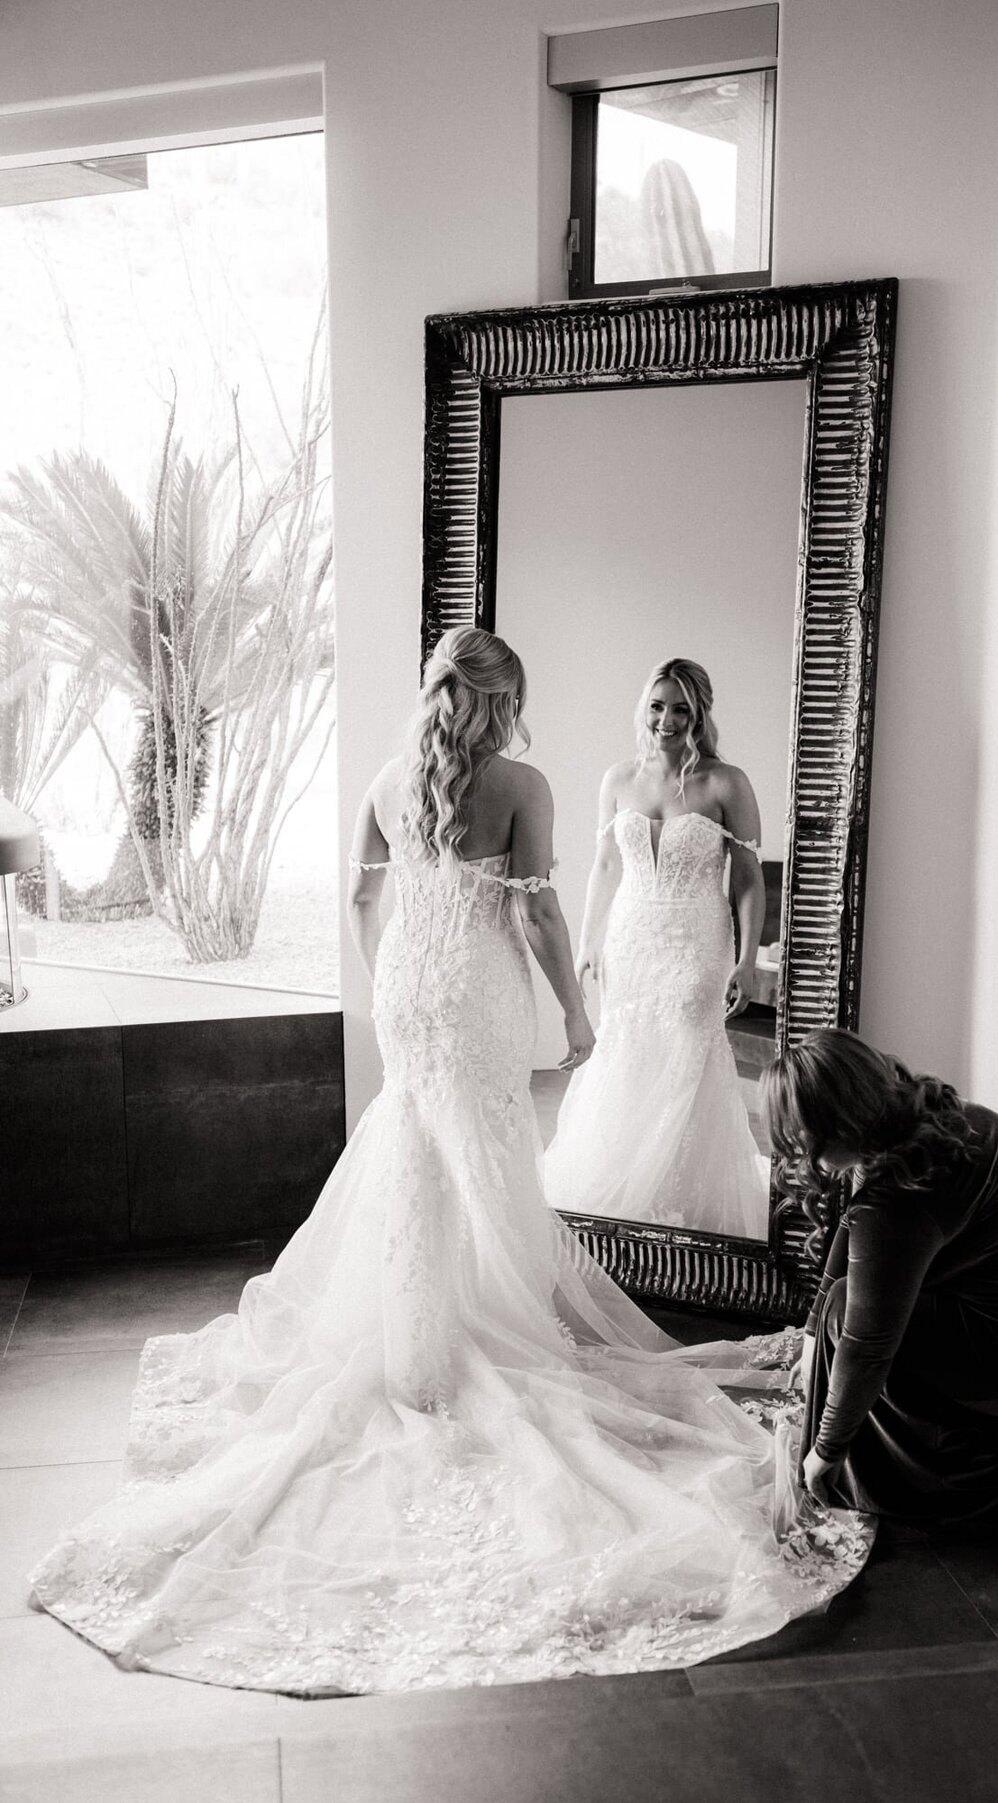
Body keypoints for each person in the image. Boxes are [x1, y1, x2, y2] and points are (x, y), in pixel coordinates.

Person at [29, 629, 869, 1695]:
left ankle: (416, 1337)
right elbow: (546, 913)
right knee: (490, 1156)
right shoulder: (522, 784)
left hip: (409, 993)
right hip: (474, 992)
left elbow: (359, 903)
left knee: (416, 1149)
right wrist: (570, 1009)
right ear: (502, 696)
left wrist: (395, 977)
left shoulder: (387, 780)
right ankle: (472, 1324)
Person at [763, 1028, 998, 1536]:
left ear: (837, 1125)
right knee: (840, 1308)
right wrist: (812, 1337)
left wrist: (827, 1451)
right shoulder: (936, 1123)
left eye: (799, 1138)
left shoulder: (898, 1196)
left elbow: (867, 1344)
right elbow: (856, 1226)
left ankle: (938, 1491)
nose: (796, 1153)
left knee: (847, 1309)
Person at [543, 657, 769, 1237]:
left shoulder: (727, 782)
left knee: (687, 1052)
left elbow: (747, 878)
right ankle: (620, 1199)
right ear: (644, 707)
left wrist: (745, 959)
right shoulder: (618, 779)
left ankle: (680, 1204)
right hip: (631, 938)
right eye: (657, 705)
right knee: (627, 1050)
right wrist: (589, 942)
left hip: (698, 940)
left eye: (681, 709)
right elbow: (604, 865)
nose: (666, 719)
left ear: (699, 714)